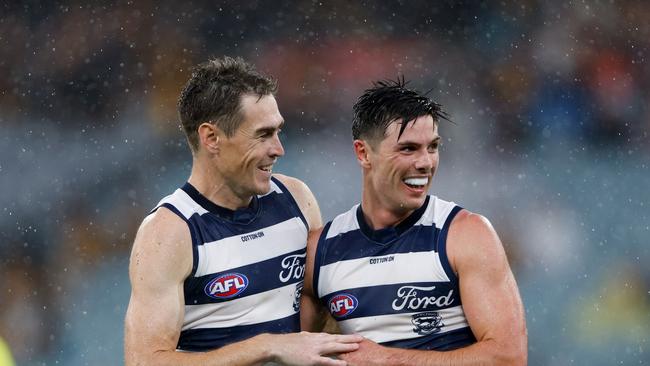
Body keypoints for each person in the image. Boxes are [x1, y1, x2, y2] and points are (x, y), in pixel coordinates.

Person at [124, 57, 362, 366]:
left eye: (278, 132)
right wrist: (265, 347)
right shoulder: (169, 233)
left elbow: (320, 306)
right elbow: (144, 362)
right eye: (263, 135)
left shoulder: (295, 199)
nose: (278, 149)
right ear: (211, 138)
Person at [301, 78, 527, 365]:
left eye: (432, 147)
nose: (425, 162)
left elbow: (508, 357)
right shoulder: (319, 251)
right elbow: (297, 354)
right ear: (363, 153)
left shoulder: (465, 235)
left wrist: (387, 360)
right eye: (408, 149)